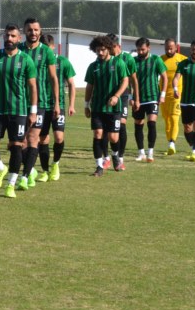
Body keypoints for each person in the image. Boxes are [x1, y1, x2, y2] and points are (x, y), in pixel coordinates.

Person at [0, 24, 38, 198]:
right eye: (7, 35)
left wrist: (33, 111)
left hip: (18, 110)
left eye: (13, 36)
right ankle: (0, 168)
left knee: (17, 146)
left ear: (18, 39)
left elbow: (33, 87)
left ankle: (11, 184)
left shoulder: (26, 60)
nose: (9, 39)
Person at [18, 18, 59, 191]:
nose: (33, 33)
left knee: (33, 137)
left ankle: (25, 177)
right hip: (19, 102)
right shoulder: (18, 50)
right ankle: (31, 169)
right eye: (29, 30)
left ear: (40, 32)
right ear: (24, 31)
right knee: (20, 142)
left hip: (40, 102)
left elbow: (53, 78)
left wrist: (56, 103)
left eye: (36, 30)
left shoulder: (46, 52)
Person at [84, 35, 129, 177]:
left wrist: (116, 96)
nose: (101, 53)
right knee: (98, 134)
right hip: (97, 107)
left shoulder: (119, 63)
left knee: (114, 138)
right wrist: (86, 104)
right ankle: (99, 166)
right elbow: (89, 86)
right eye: (98, 50)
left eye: (103, 50)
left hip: (114, 108)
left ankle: (115, 155)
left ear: (108, 49)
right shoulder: (93, 66)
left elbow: (125, 81)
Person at [41, 34, 76, 181]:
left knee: (59, 136)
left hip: (58, 104)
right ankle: (44, 170)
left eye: (48, 48)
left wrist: (72, 105)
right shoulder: (37, 61)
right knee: (42, 139)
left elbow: (72, 84)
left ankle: (55, 164)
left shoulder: (63, 62)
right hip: (41, 104)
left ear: (53, 47)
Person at [132, 37, 168, 163]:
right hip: (138, 99)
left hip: (152, 97)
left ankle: (150, 152)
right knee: (138, 125)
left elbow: (164, 77)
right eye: (138, 50)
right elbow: (130, 80)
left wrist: (162, 94)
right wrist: (132, 97)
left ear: (148, 48)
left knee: (151, 123)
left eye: (142, 49)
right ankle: (141, 152)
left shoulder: (155, 59)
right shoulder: (133, 61)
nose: (140, 52)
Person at [107, 33, 138, 171]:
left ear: (118, 46)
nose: (110, 49)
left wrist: (135, 98)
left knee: (122, 125)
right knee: (105, 129)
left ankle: (120, 157)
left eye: (112, 47)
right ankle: (106, 158)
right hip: (106, 96)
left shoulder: (127, 58)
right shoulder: (104, 58)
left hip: (123, 96)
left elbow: (133, 79)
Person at [161, 38, 187, 155]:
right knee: (167, 121)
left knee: (174, 118)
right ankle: (169, 145)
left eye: (171, 48)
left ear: (176, 47)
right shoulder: (161, 59)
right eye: (167, 48)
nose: (169, 50)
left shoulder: (182, 59)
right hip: (163, 95)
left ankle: (172, 142)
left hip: (177, 94)